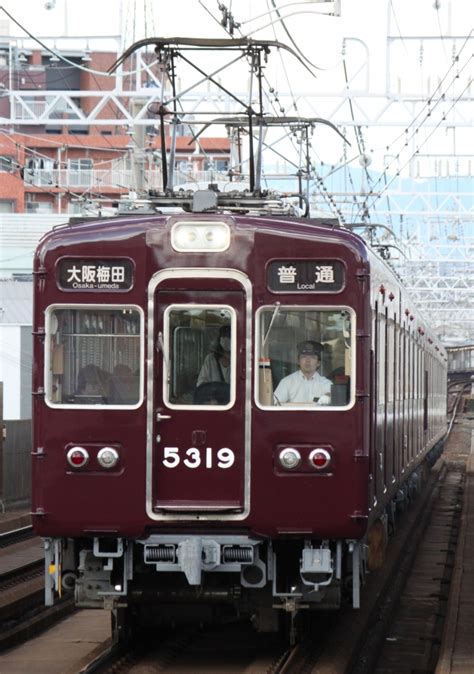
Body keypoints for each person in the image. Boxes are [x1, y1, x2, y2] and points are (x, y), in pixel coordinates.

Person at [273, 340, 332, 405]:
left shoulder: (325, 383)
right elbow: (275, 403)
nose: (308, 361)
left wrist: (327, 397)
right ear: (298, 361)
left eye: (312, 357)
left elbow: (331, 394)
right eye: (304, 357)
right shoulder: (287, 382)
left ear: (318, 363)